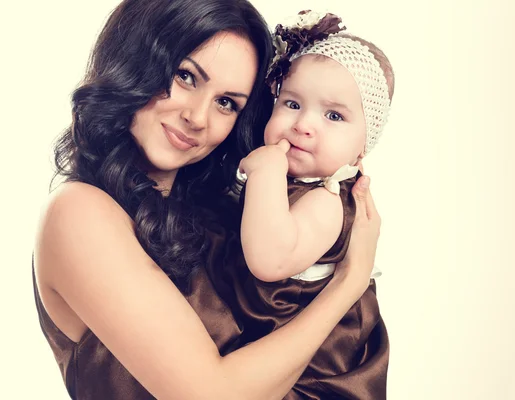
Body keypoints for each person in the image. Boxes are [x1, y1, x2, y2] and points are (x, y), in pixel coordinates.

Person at [32, 1, 382, 399]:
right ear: (136, 59)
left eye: (226, 103)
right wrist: (347, 284)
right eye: (185, 76)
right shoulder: (78, 212)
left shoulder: (223, 218)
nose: (198, 117)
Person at [235, 10, 394, 399]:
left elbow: (269, 259)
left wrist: (267, 171)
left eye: (334, 115)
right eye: (291, 104)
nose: (305, 124)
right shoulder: (294, 186)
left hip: (304, 381)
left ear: (361, 149)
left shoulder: (328, 202)